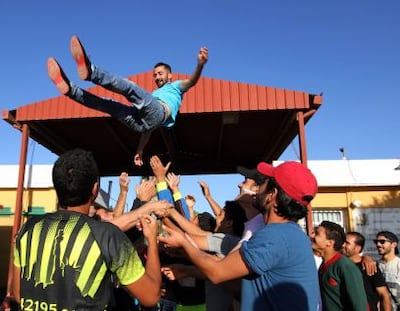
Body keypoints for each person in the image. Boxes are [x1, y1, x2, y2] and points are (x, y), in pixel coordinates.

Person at [159, 161, 321, 311]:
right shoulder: (289, 233)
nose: (257, 189)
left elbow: (217, 272)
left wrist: (183, 243)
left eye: (262, 183)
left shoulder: (275, 236)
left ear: (272, 195)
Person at [12, 149, 162, 310]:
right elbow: (151, 296)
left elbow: (19, 294)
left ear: (57, 187)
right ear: (95, 189)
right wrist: (152, 240)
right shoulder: (109, 236)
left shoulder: (28, 229)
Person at [47, 35, 208, 166]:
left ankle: (92, 72)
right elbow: (149, 129)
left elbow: (192, 82)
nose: (157, 77)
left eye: (160, 73)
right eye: (155, 75)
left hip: (159, 111)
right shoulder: (154, 93)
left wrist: (200, 65)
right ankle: (72, 90)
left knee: (130, 88)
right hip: (142, 123)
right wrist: (140, 150)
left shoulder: (176, 87)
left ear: (170, 75)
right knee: (108, 104)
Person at [313, 221, 368, 311]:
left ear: (330, 243)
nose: (312, 236)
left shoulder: (345, 266)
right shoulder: (323, 265)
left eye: (317, 234)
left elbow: (359, 304)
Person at [343, 231, 392, 311]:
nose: (343, 245)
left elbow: (384, 294)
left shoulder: (369, 267)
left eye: (347, 243)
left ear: (358, 248)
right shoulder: (339, 265)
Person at [375, 231, 400, 311]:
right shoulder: (375, 266)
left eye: (382, 242)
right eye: (376, 242)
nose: (378, 245)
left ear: (394, 245)